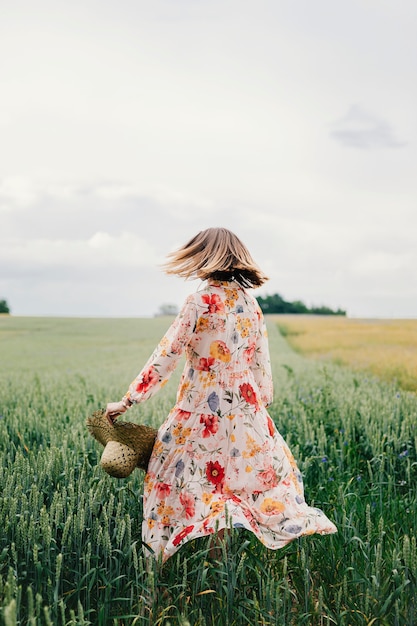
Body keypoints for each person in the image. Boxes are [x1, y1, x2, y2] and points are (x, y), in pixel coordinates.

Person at [105, 227, 337, 563]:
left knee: (171, 477)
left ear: (205, 257)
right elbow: (262, 368)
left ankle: (163, 563)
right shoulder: (250, 304)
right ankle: (220, 563)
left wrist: (129, 400)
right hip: (246, 413)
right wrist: (257, 412)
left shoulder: (199, 301)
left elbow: (167, 354)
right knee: (234, 489)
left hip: (201, 409)